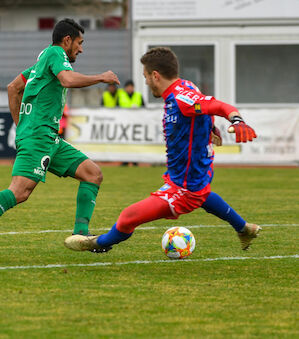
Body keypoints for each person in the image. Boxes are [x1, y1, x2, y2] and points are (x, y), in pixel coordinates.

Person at [0, 18, 119, 264]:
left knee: (92, 174)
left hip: (48, 138)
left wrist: (21, 126)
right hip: (38, 137)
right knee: (19, 192)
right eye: (80, 43)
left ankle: (81, 235)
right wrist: (102, 77)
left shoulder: (41, 62)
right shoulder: (54, 54)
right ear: (67, 40)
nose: (81, 49)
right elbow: (68, 80)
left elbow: (13, 87)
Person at [64, 47, 261, 254]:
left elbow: (217, 105)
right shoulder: (185, 87)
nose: (146, 82)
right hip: (190, 177)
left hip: (184, 188)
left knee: (129, 216)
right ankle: (243, 228)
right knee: (203, 195)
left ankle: (96, 243)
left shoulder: (181, 98)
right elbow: (203, 109)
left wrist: (236, 120)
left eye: (146, 77)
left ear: (155, 75)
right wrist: (209, 126)